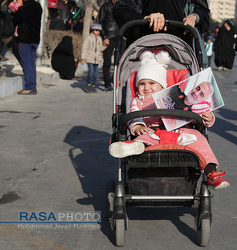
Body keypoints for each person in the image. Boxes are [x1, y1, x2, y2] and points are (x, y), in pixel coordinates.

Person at [109, 51, 229, 190]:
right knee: (143, 139)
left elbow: (199, 115)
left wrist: (208, 118)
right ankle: (133, 145)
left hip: (181, 133)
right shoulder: (138, 100)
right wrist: (137, 126)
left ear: (162, 85)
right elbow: (134, 114)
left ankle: (212, 172)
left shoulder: (177, 96)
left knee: (200, 140)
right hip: (152, 133)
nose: (146, 87)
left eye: (152, 83)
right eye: (142, 84)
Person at [112, 0, 210, 47]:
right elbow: (120, 9)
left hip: (180, 48)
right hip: (143, 46)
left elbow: (203, 9)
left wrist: (194, 16)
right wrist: (145, 18)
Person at [12, 0, 42, 95]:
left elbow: (15, 21)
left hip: (25, 39)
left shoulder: (23, 9)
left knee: (26, 62)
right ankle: (32, 85)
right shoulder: (38, 7)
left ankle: (30, 87)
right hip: (35, 38)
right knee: (31, 62)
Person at [97, 0, 119, 92]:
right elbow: (100, 21)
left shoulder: (121, 6)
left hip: (119, 37)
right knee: (107, 62)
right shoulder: (105, 6)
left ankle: (115, 81)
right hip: (108, 38)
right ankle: (107, 84)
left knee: (119, 62)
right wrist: (104, 37)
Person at [81, 23, 106, 93]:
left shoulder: (100, 39)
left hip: (97, 59)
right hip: (90, 58)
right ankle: (88, 85)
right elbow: (84, 48)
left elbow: (100, 49)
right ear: (92, 30)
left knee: (95, 73)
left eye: (99, 31)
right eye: (96, 30)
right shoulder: (88, 38)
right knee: (91, 72)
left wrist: (105, 45)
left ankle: (93, 85)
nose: (98, 32)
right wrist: (83, 58)